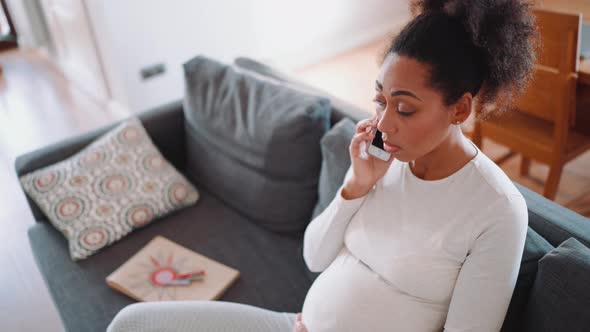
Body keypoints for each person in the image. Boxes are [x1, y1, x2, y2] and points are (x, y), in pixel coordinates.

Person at [107, 0, 538, 331]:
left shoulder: (495, 210)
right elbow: (314, 258)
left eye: (405, 109)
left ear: (460, 109)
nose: (384, 123)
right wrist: (356, 186)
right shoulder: (383, 160)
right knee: (132, 323)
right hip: (293, 324)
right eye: (380, 100)